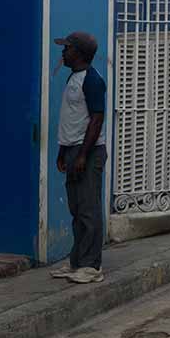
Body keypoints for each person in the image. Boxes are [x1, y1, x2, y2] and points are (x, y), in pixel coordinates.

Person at [50, 32, 108, 284]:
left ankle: (91, 266)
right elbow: (72, 120)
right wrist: (63, 152)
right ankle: (77, 261)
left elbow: (96, 119)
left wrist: (83, 155)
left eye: (68, 48)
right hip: (74, 150)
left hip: (89, 152)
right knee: (76, 209)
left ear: (80, 53)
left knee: (88, 209)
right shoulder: (74, 78)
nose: (63, 52)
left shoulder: (92, 81)